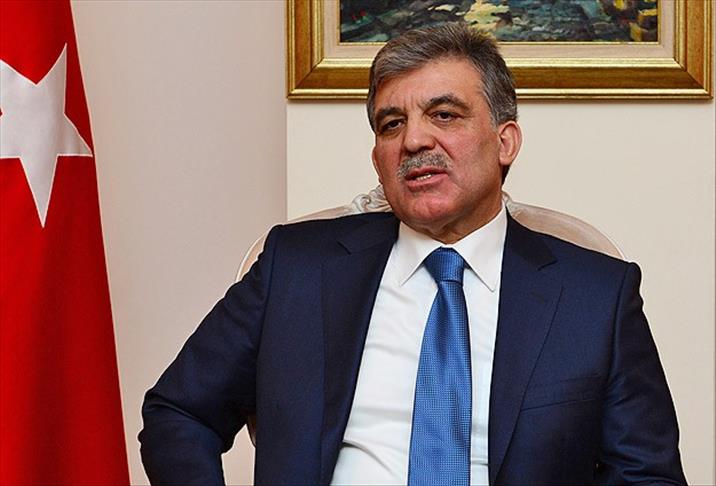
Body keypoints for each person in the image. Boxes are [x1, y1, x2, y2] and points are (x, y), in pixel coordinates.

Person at [139, 23, 685, 485]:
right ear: (377, 156)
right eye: (391, 124)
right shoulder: (296, 268)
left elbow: (647, 476)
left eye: (444, 114)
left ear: (505, 142)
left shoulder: (595, 296)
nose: (414, 141)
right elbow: (178, 411)